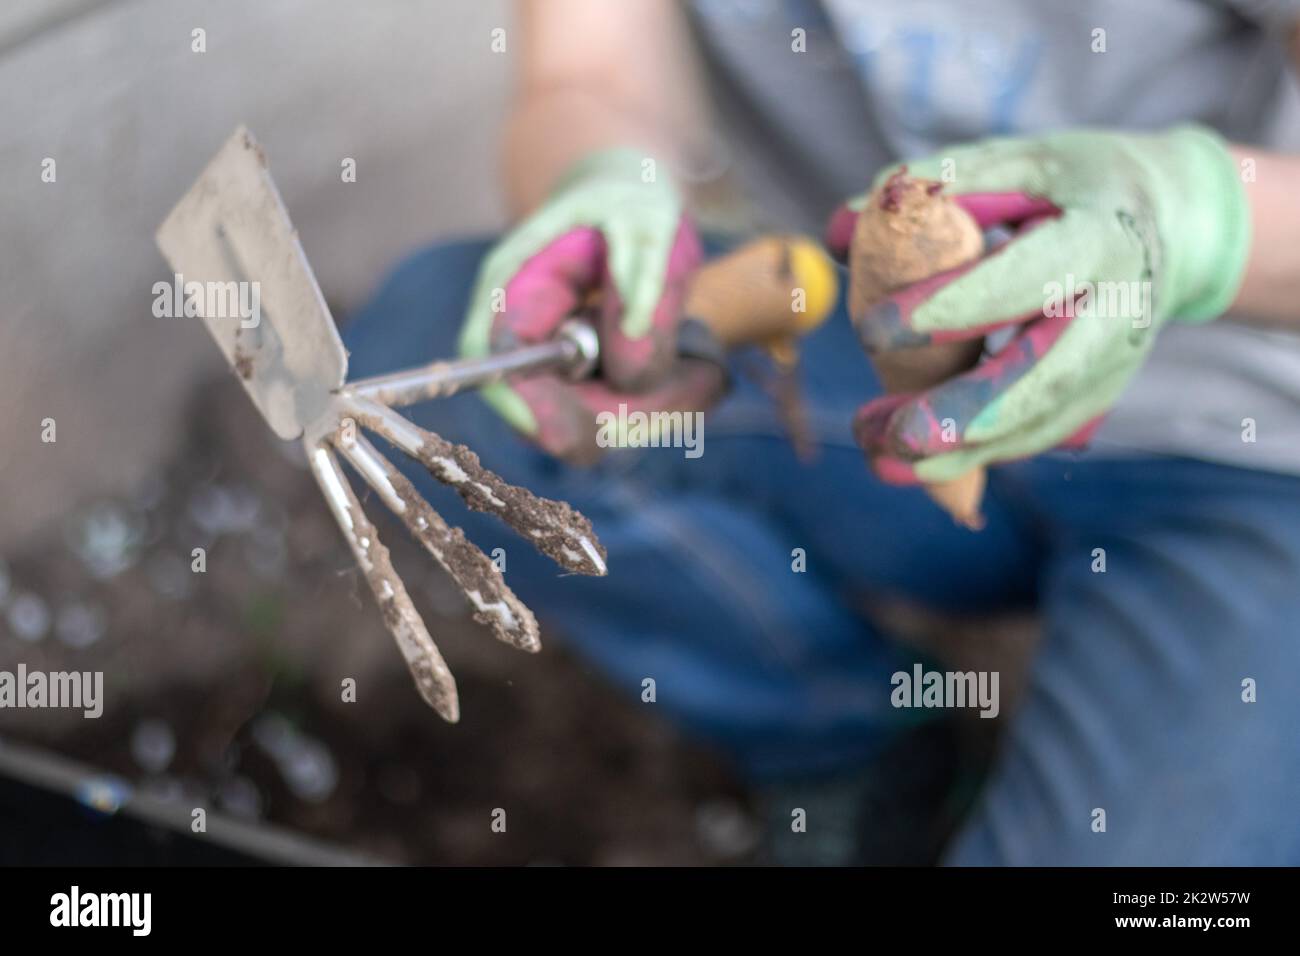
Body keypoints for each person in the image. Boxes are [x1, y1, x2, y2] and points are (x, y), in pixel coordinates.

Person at [343, 0, 1300, 864]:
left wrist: (1195, 219)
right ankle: (855, 741)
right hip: (888, 360)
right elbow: (588, 72)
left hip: (1252, 448)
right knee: (436, 377)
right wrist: (607, 184)